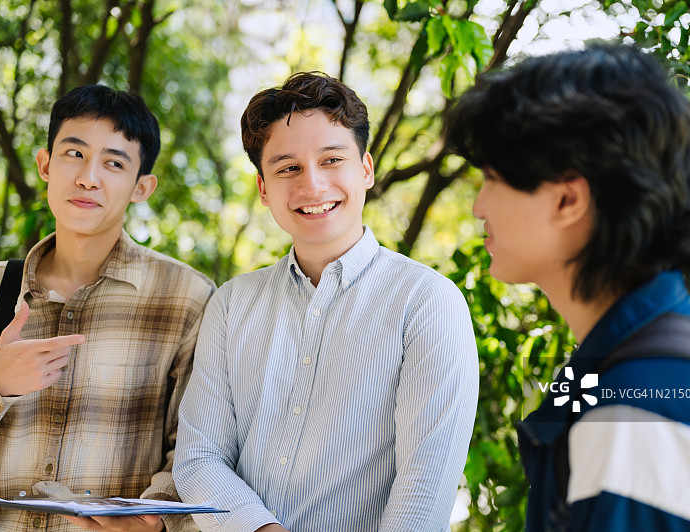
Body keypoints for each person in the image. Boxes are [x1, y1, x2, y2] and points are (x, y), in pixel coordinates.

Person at [446, 43, 690, 531]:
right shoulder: (647, 361)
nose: (479, 206)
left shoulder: (641, 417)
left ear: (568, 199)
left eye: (493, 178)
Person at [173, 72, 479, 532]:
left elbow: (423, 492)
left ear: (366, 169)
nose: (312, 186)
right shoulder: (233, 304)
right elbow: (199, 459)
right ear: (262, 188)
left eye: (332, 159)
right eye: (287, 168)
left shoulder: (428, 303)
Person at [0, 85, 215, 532]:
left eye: (114, 163)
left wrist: (155, 518)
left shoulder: (186, 298)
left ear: (141, 187)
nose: (89, 177)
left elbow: (200, 451)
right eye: (74, 154)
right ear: (45, 165)